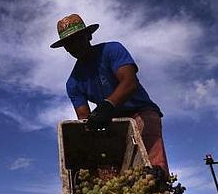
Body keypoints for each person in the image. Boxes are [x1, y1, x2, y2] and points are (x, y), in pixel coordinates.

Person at [50, 14, 169, 174]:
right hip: (112, 123)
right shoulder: (73, 82)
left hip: (140, 111)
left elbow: (130, 82)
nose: (74, 45)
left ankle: (161, 186)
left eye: (78, 38)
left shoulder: (112, 50)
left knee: (154, 167)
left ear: (89, 35)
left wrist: (106, 106)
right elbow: (84, 118)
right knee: (113, 168)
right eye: (68, 43)